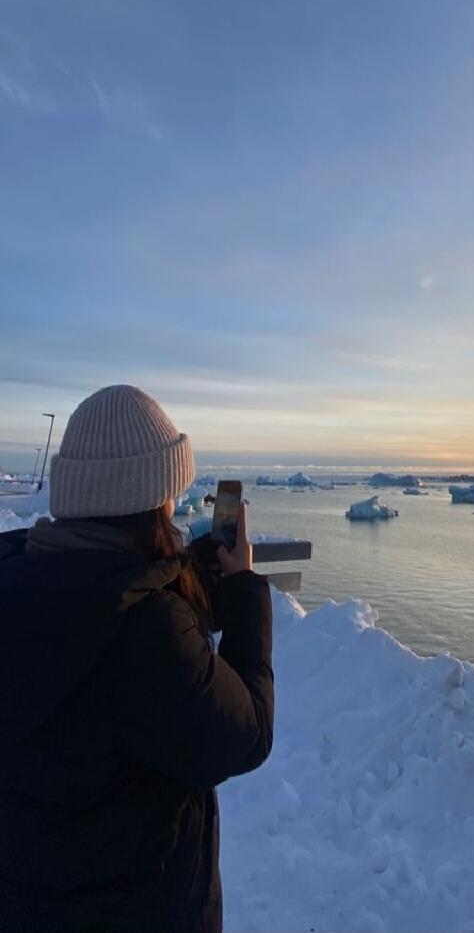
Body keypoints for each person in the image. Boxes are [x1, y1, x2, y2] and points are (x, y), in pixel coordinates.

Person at [0, 384, 274, 933]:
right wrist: (245, 593)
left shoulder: (18, 582)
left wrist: (181, 576)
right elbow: (247, 734)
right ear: (151, 496)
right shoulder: (146, 630)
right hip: (141, 906)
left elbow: (100, 597)